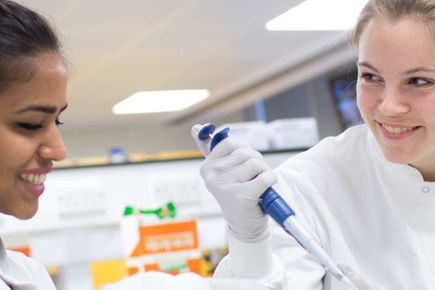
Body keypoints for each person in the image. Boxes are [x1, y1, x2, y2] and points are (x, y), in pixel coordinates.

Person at [192, 0, 435, 289]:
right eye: (370, 77)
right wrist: (249, 242)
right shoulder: (310, 185)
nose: (389, 106)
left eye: (419, 81)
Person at [0, 1, 211, 289]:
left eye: (57, 122)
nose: (59, 151)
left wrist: (251, 244)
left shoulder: (27, 275)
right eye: (32, 124)